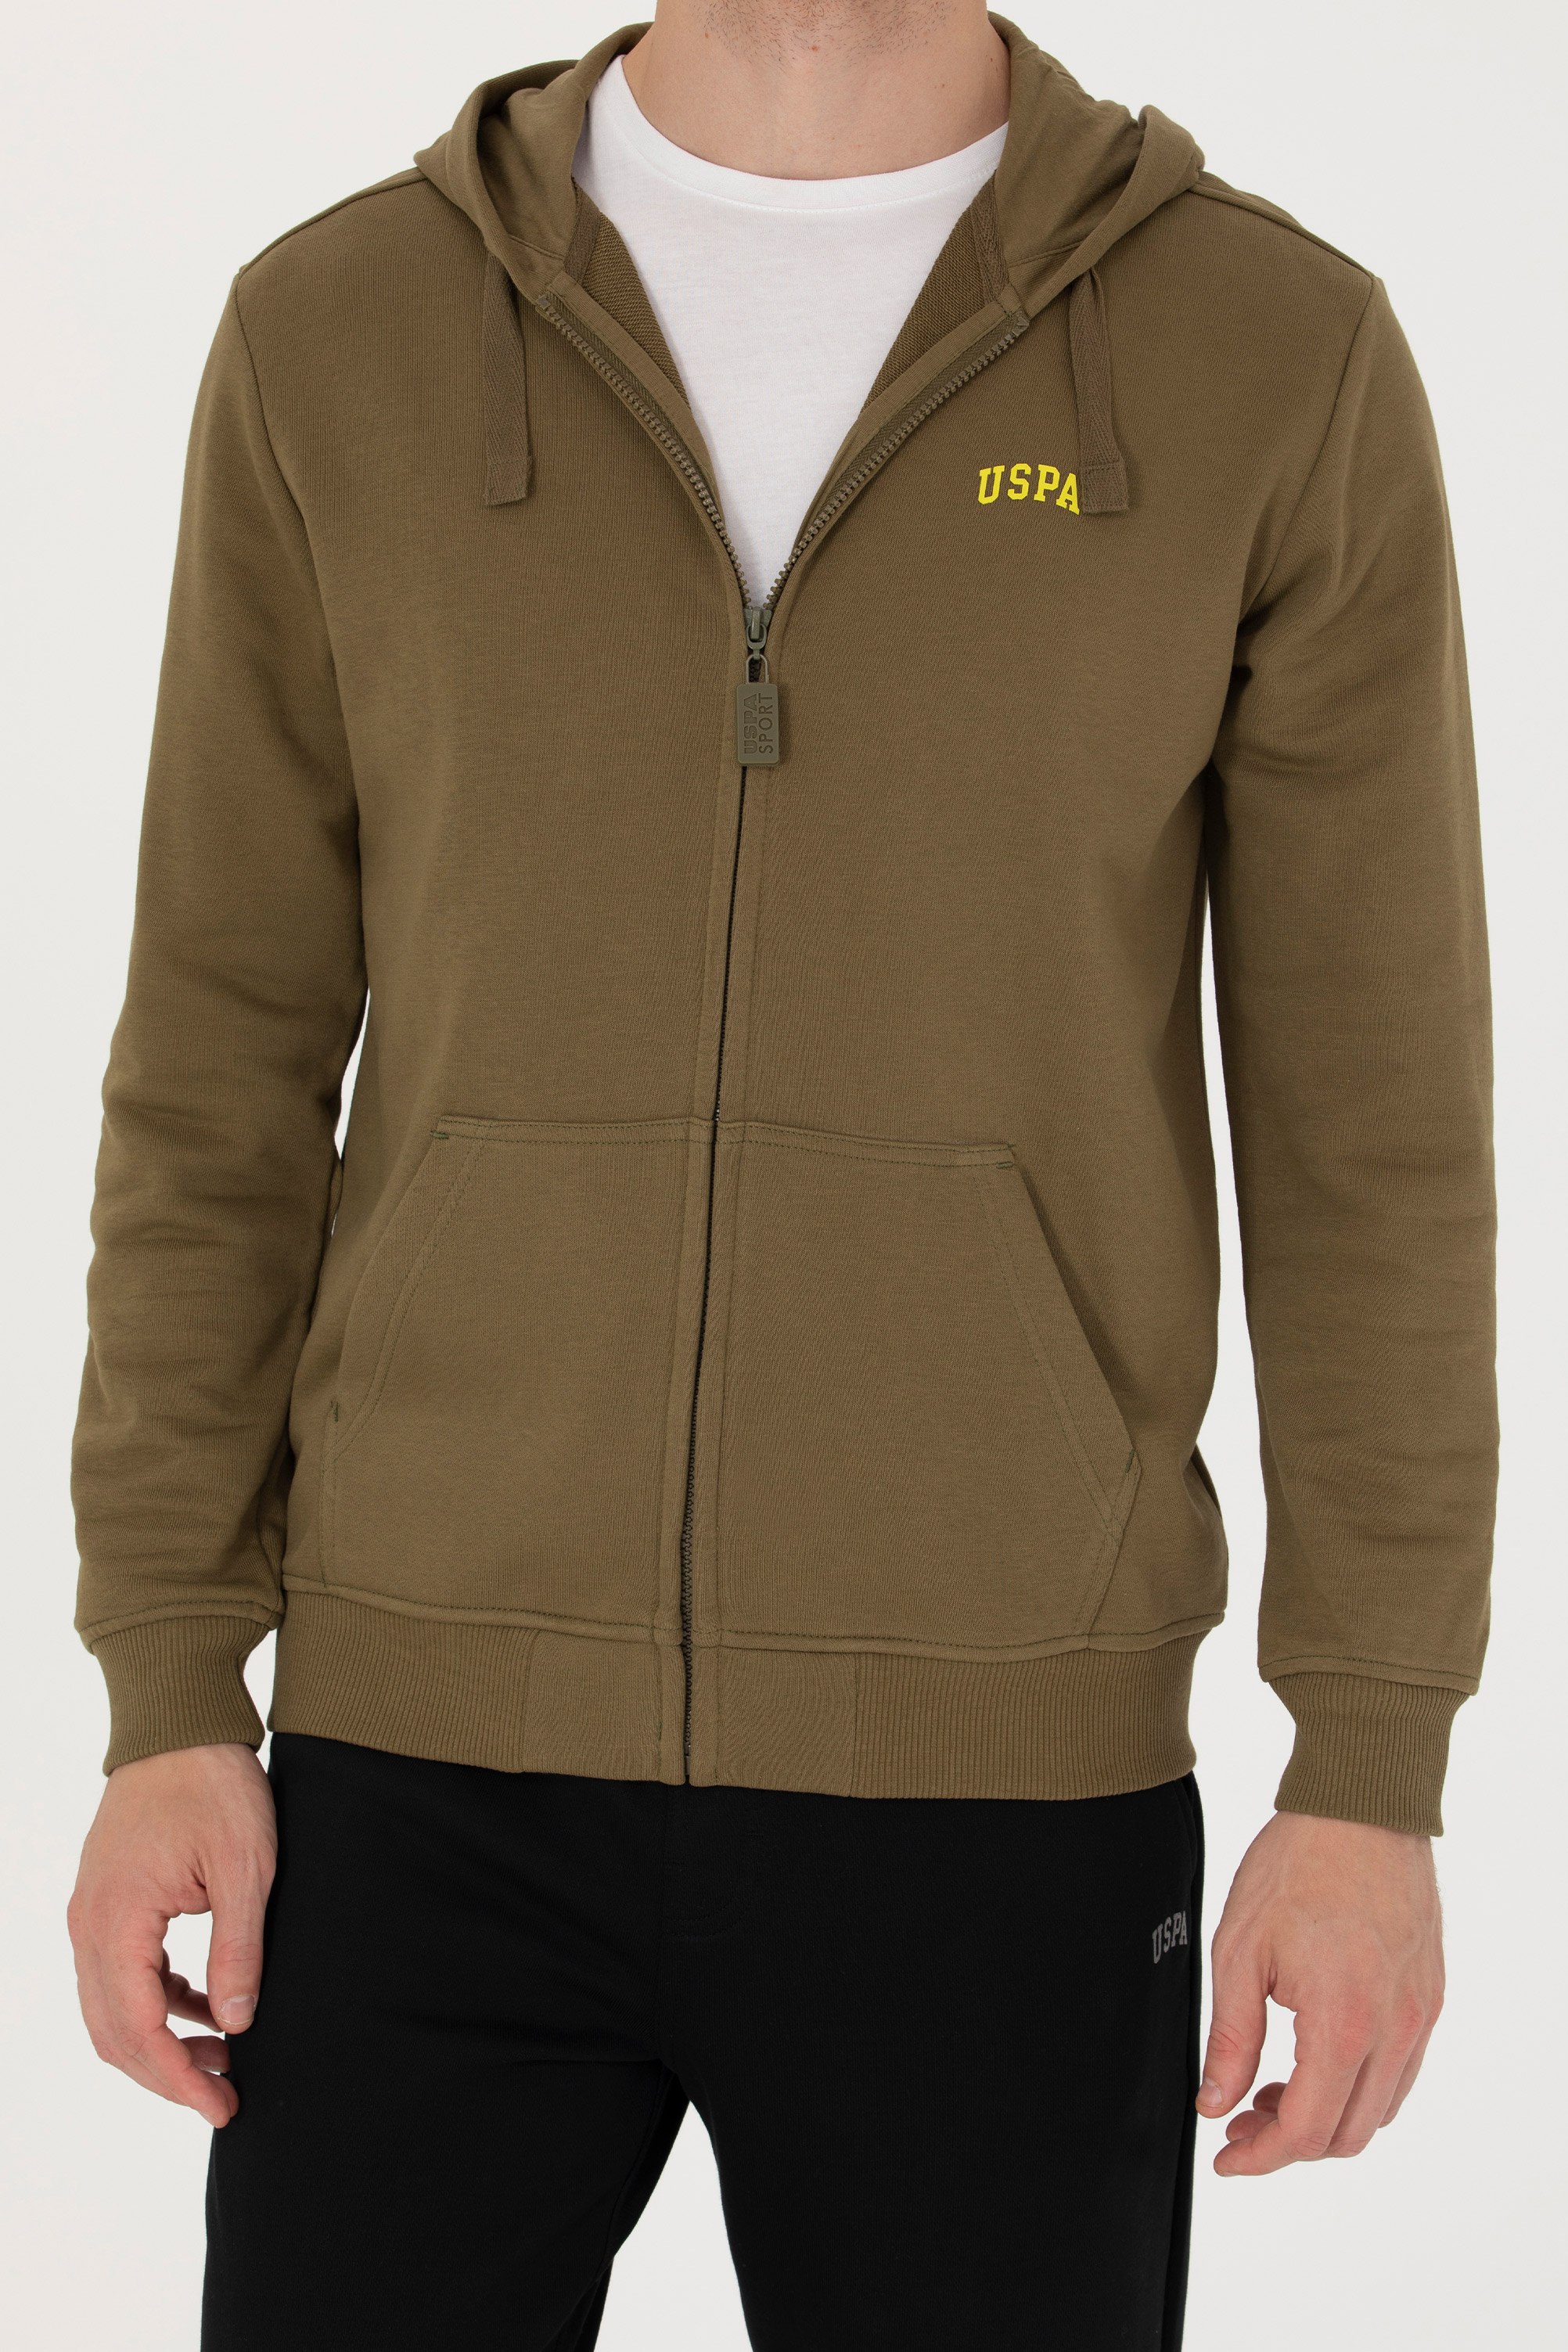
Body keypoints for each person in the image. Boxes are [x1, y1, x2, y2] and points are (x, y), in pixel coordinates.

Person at [66, 7, 1494, 2347]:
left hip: (1005, 1794)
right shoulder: (340, 329)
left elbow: (1374, 1137)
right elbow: (218, 1065)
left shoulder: (1269, 350)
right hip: (415, 1774)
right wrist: (165, 1680)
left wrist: (1369, 1765)